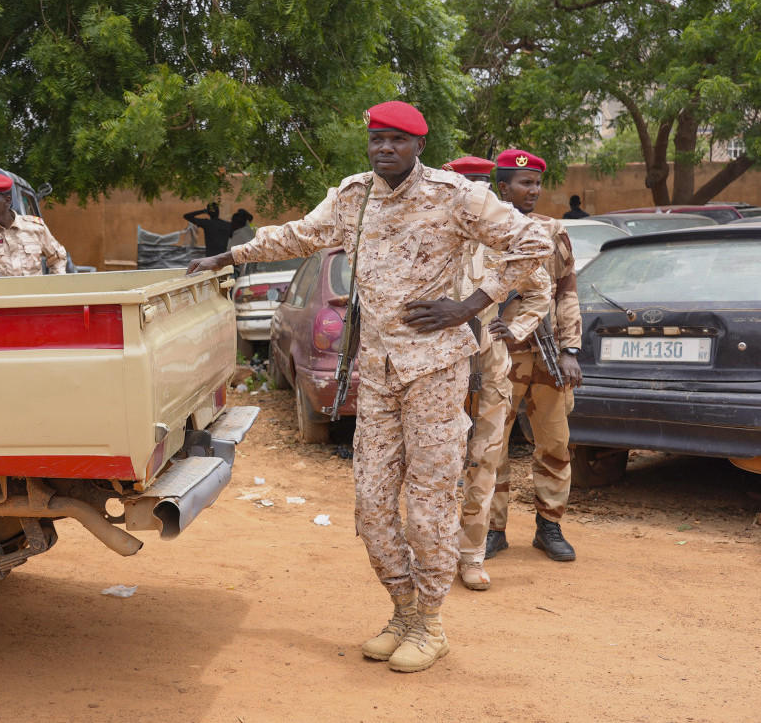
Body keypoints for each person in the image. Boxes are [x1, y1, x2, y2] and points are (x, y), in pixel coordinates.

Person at [187, 101, 552, 673]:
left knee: (429, 507)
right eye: (377, 140)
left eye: (397, 141)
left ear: (418, 146)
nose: (385, 150)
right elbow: (300, 234)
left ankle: (431, 625)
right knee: (372, 508)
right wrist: (230, 255)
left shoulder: (457, 195)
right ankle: (402, 612)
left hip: (435, 369)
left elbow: (534, 245)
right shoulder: (354, 197)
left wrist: (469, 305)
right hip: (376, 373)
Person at [449, 156, 553, 591]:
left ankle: (471, 555)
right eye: (467, 186)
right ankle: (433, 551)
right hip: (441, 365)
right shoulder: (435, 233)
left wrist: (513, 329)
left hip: (491, 365)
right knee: (436, 461)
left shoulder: (506, 236)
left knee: (487, 456)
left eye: (481, 187)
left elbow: (540, 291)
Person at [485, 149, 583, 564]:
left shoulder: (553, 230)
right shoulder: (482, 229)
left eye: (538, 184)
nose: (534, 191)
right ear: (502, 187)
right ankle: (492, 529)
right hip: (497, 357)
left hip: (546, 357)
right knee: (490, 446)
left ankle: (549, 526)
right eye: (525, 184)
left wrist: (571, 350)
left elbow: (566, 293)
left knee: (555, 444)